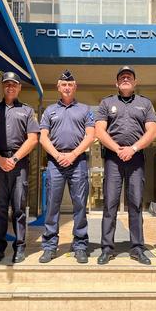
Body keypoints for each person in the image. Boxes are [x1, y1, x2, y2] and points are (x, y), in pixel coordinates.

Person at [95, 66, 156, 265]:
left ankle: (137, 248)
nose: (126, 79)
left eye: (129, 77)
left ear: (135, 82)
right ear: (116, 83)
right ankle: (106, 248)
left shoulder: (145, 103)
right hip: (113, 160)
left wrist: (133, 148)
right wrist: (118, 149)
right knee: (110, 204)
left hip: (136, 159)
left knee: (136, 204)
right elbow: (99, 131)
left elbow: (152, 131)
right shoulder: (107, 102)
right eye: (122, 77)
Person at [0, 71, 39, 263]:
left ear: (19, 88)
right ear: (2, 87)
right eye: (7, 84)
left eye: (14, 84)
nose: (10, 87)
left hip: (19, 163)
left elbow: (33, 139)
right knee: (0, 207)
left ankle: (20, 247)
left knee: (19, 207)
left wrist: (13, 159)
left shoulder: (27, 111)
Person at [39, 70, 95, 264]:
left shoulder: (85, 109)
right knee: (52, 205)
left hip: (78, 160)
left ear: (75, 87)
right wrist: (57, 155)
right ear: (58, 87)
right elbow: (43, 137)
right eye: (64, 84)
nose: (67, 87)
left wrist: (72, 155)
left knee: (80, 204)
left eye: (70, 84)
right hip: (55, 162)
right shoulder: (49, 110)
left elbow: (90, 136)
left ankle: (80, 245)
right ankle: (49, 246)